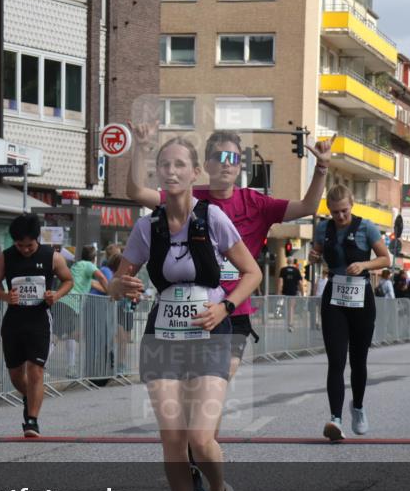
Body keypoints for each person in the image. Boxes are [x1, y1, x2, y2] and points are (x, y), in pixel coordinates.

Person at [109, 135, 261, 491]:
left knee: (199, 437)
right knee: (173, 439)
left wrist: (226, 307)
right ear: (159, 174)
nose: (172, 171)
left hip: (211, 334)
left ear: (195, 173)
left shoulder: (212, 218)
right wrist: (123, 285)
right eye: (165, 165)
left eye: (180, 165)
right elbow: (116, 284)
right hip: (163, 337)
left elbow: (252, 273)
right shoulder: (148, 225)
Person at [127, 124, 333, 378]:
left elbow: (307, 206)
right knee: (187, 384)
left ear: (239, 166)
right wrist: (139, 148)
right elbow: (137, 192)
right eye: (219, 157)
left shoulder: (256, 203)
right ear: (206, 165)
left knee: (218, 378)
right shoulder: (187, 195)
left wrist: (322, 169)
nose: (226, 164)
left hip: (234, 308)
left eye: (233, 158)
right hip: (192, 310)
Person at [310, 184, 392, 440]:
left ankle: (357, 407)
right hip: (334, 296)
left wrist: (364, 264)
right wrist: (314, 256)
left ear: (352, 204)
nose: (340, 217)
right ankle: (335, 419)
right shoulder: (323, 228)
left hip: (361, 298)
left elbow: (386, 259)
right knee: (336, 360)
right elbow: (318, 253)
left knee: (358, 361)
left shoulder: (366, 227)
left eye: (344, 211)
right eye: (335, 212)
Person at [0, 213, 73, 437]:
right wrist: (6, 297)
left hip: (39, 319)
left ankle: (32, 421)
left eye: (30, 245)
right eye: (20, 245)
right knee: (16, 375)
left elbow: (68, 280)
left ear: (38, 239)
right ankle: (31, 397)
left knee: (35, 370)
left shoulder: (51, 256)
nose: (25, 249)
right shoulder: (5, 257)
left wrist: (56, 294)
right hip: (14, 320)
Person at [55, 245, 109, 378]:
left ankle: (71, 367)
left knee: (72, 335)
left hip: (65, 302)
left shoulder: (78, 267)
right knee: (56, 335)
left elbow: (97, 285)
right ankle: (40, 365)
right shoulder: (88, 266)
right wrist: (112, 292)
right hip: (70, 303)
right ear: (94, 258)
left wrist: (109, 292)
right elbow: (101, 278)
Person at [278, 257, 304, 330]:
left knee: (286, 307)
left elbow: (280, 282)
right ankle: (290, 324)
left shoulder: (283, 270)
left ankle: (286, 323)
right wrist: (302, 293)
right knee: (291, 308)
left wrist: (278, 293)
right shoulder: (296, 270)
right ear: (293, 262)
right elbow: (300, 283)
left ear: (287, 261)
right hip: (293, 292)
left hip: (285, 292)